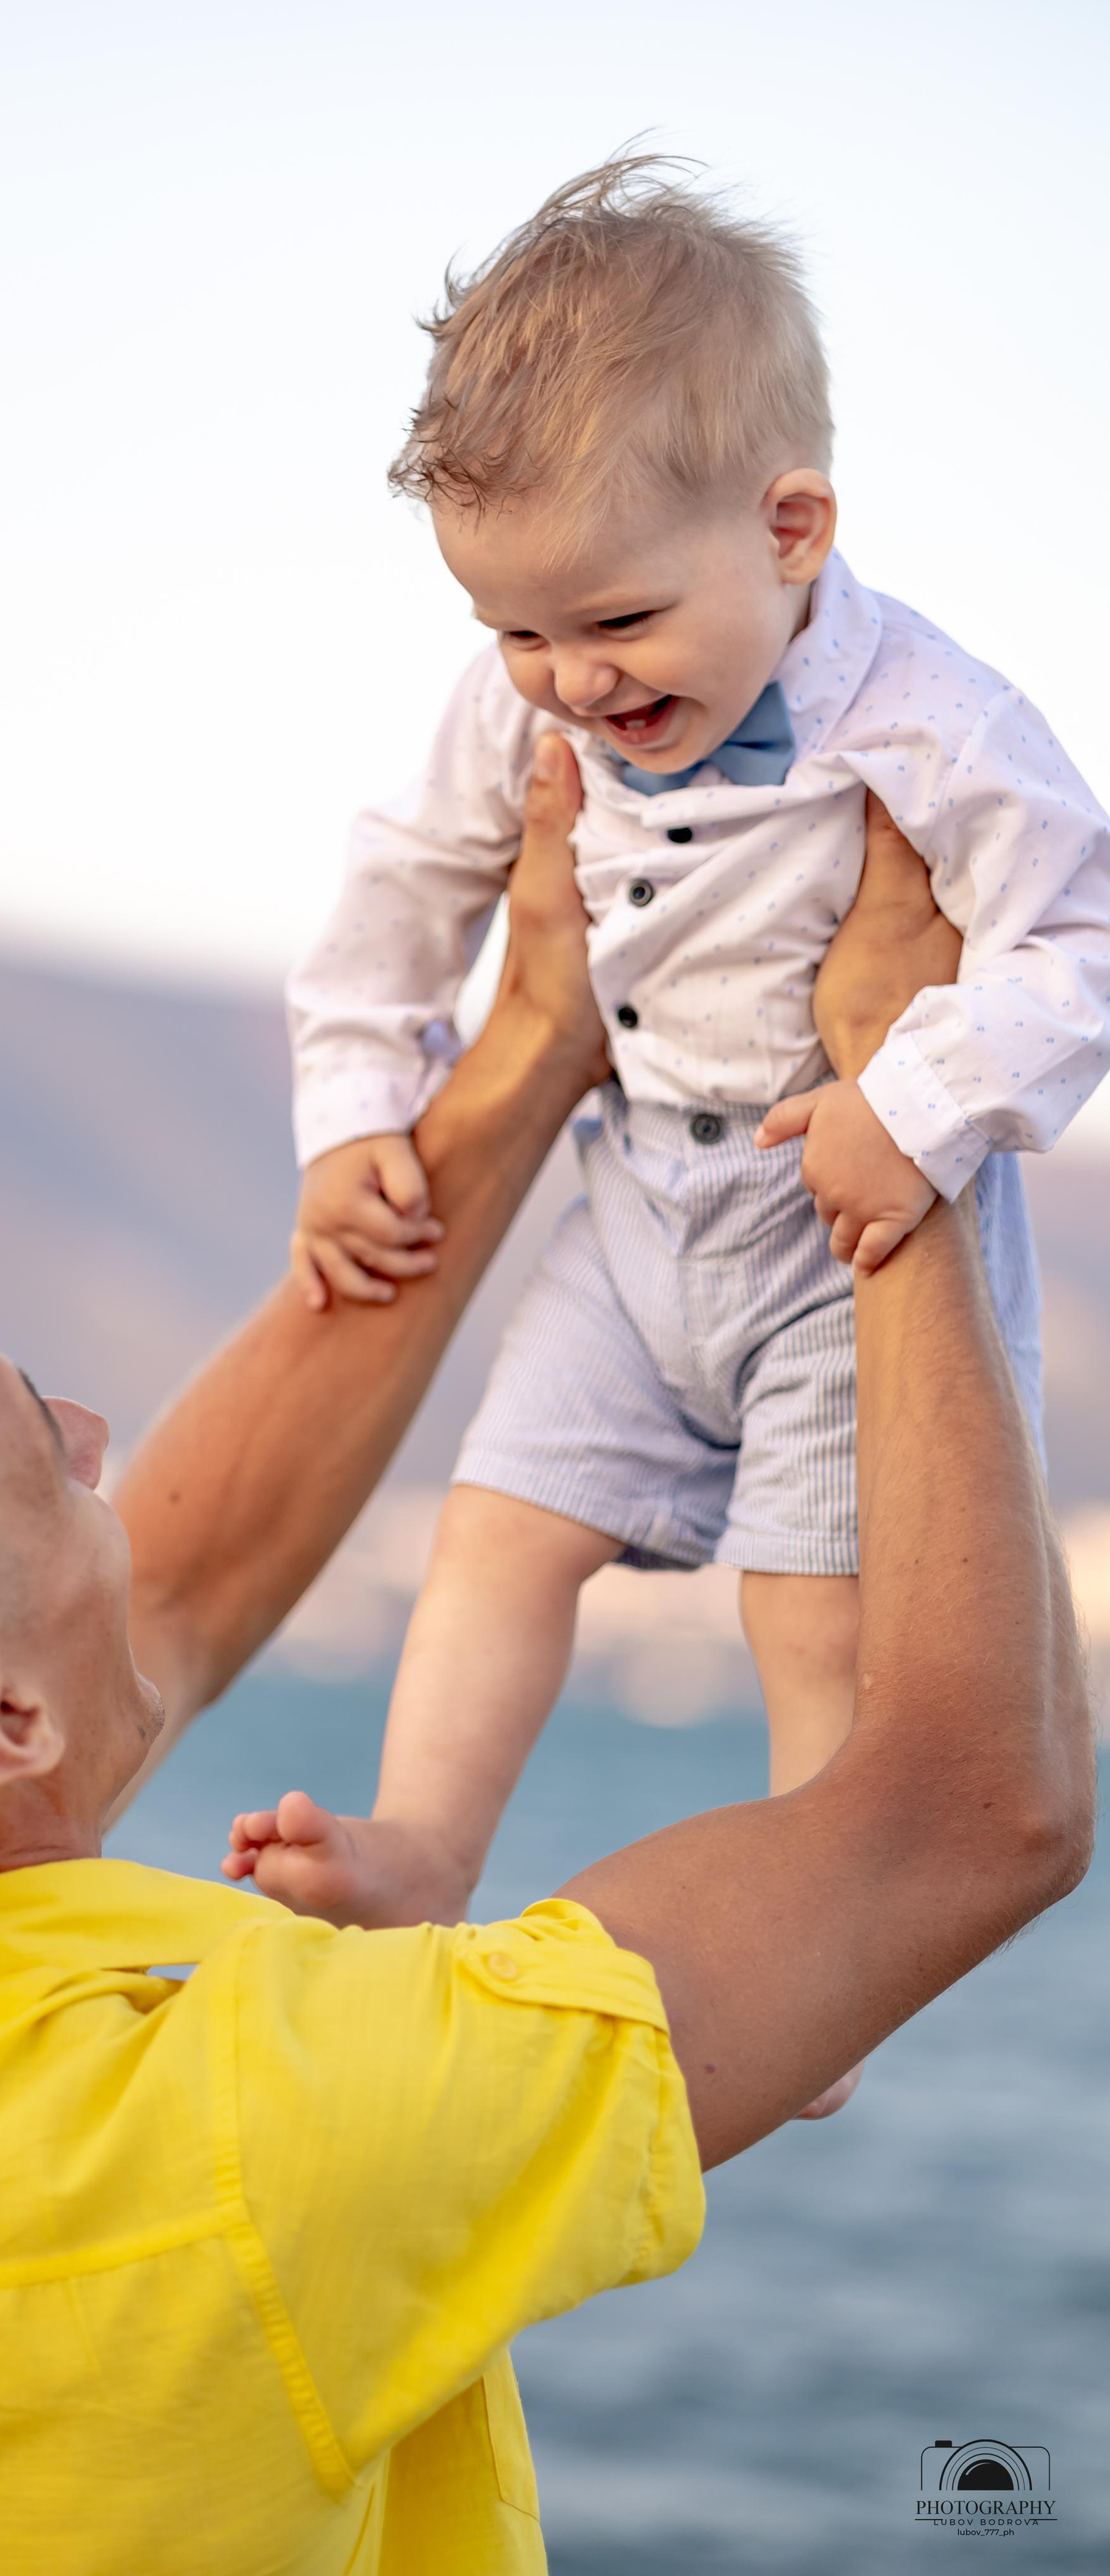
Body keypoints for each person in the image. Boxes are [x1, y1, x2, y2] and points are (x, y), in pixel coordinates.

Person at [0, 774, 1091, 2576]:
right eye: (47, 1449)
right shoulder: (266, 2134)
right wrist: (901, 1138)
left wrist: (540, 1038)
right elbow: (968, 1814)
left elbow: (183, 1581)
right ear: (0, 1724)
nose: (107, 1439)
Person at [274, 155, 1110, 1970]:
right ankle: (424, 1843)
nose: (567, 682)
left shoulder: (934, 719)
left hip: (838, 1226)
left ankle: (824, 1944)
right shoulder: (524, 700)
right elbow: (398, 889)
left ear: (792, 529)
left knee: (813, 1614)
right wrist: (353, 1113)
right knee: (499, 1526)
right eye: (515, 631)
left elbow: (1076, 941)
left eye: (619, 624)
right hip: (638, 1195)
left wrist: (918, 1105)